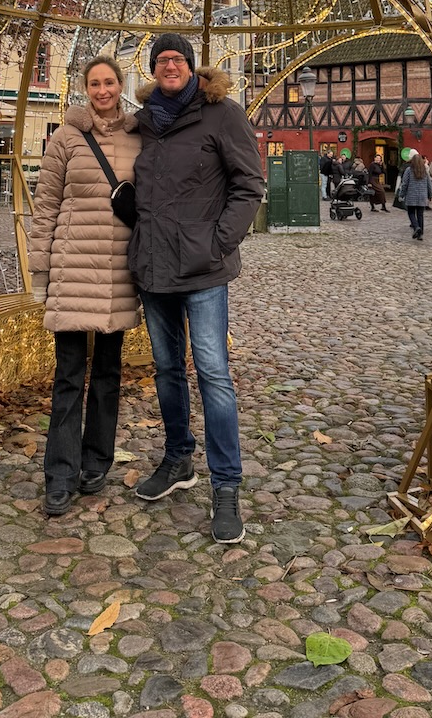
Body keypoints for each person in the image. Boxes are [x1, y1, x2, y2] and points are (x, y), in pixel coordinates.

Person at [128, 33, 264, 544]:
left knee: (213, 373)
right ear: (153, 69)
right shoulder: (144, 122)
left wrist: (218, 242)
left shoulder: (221, 113)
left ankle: (226, 484)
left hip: (203, 269)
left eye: (178, 59)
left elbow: (249, 184)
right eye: (161, 60)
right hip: (154, 267)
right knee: (166, 370)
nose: (170, 66)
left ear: (191, 66)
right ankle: (178, 458)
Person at [29, 56, 141, 517]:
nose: (102, 90)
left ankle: (96, 462)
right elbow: (45, 205)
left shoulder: (138, 137)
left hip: (117, 272)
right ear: (85, 88)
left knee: (108, 376)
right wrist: (40, 272)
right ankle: (59, 474)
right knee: (69, 376)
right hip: (73, 270)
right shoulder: (66, 137)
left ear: (120, 85)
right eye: (94, 83)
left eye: (109, 82)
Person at [397, 148, 432, 240]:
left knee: (411, 213)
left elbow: (405, 184)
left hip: (411, 196)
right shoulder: (424, 170)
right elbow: (429, 184)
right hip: (422, 196)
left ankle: (416, 227)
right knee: (420, 214)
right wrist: (431, 195)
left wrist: (401, 194)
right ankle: (420, 234)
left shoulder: (409, 170)